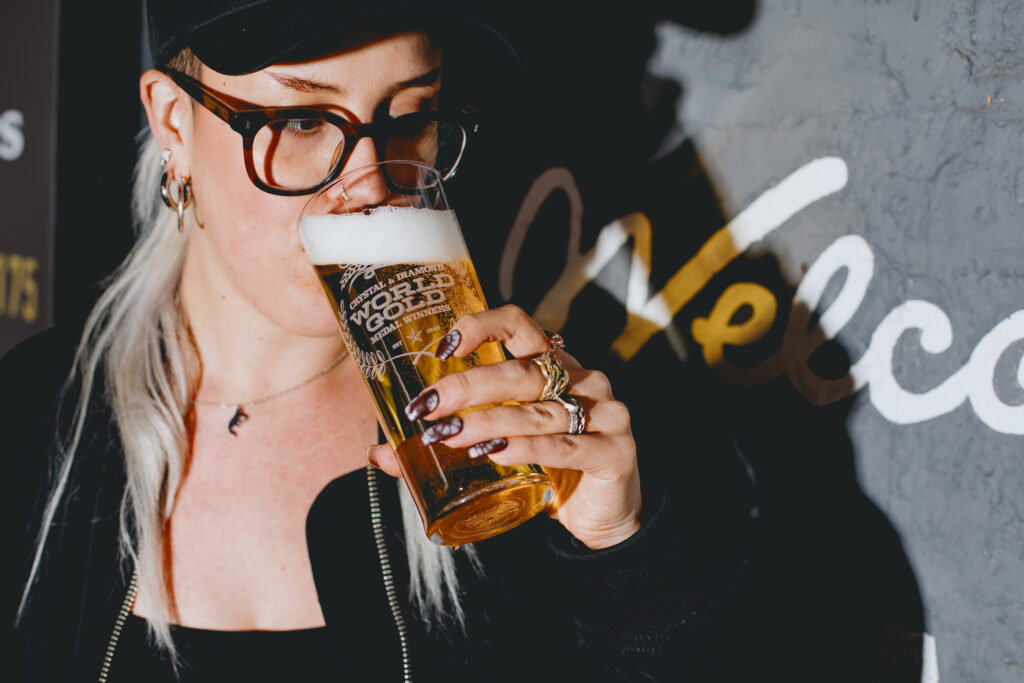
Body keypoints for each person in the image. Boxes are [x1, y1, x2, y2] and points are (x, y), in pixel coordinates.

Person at [6, 2, 757, 681]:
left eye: (407, 118)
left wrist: (625, 559)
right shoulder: (30, 420)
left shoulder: (507, 448)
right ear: (173, 122)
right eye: (302, 122)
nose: (369, 182)